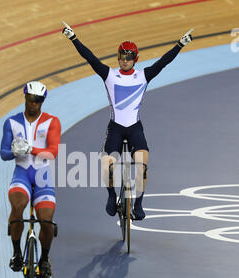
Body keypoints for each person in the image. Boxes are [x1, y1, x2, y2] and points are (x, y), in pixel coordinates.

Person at [62, 22, 193, 220]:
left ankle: (139, 203)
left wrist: (180, 44)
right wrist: (73, 38)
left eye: (129, 57)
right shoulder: (109, 75)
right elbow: (89, 57)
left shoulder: (143, 75)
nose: (124, 61)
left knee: (142, 162)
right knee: (107, 163)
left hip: (134, 128)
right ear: (118, 58)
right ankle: (111, 196)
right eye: (122, 57)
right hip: (115, 128)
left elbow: (164, 61)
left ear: (135, 59)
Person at [0, 81, 61, 278]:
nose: (33, 104)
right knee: (17, 207)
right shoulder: (11, 122)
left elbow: (52, 153)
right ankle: (17, 253)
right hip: (22, 174)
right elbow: (3, 153)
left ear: (42, 101)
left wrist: (30, 149)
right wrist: (15, 152)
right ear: (25, 98)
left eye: (37, 101)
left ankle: (44, 259)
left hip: (42, 176)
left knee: (47, 220)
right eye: (30, 99)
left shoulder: (52, 121)